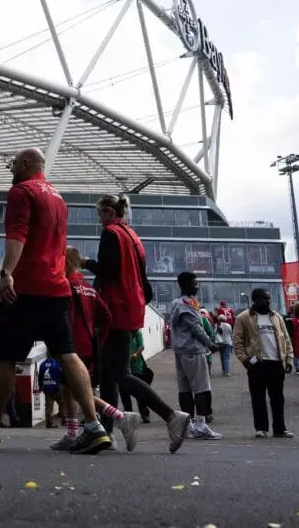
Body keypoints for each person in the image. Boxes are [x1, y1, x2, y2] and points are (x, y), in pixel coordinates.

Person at [0, 149, 115, 455]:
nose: (11, 170)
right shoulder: (58, 198)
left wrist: (7, 273)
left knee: (4, 358)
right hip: (57, 289)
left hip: (26, 290)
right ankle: (94, 427)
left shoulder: (22, 191)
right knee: (68, 355)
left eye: (14, 164)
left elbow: (17, 237)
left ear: (26, 164)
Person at [84, 191, 190, 452]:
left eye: (100, 213)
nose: (99, 219)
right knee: (108, 373)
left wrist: (85, 262)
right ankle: (107, 431)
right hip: (129, 307)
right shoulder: (133, 236)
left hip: (114, 309)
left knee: (120, 373)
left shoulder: (111, 233)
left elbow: (107, 271)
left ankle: (170, 416)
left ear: (110, 212)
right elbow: (142, 279)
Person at [53, 247, 141, 452]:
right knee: (70, 388)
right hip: (88, 345)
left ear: (66, 263)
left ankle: (120, 417)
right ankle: (73, 432)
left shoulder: (67, 286)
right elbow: (107, 316)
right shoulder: (88, 287)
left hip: (71, 346)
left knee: (77, 389)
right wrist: (99, 338)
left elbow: (67, 317)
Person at [233, 287, 294, 438]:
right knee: (258, 398)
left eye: (268, 298)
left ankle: (279, 429)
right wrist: (245, 360)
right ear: (255, 300)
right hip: (258, 364)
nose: (267, 301)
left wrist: (289, 358)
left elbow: (286, 338)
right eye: (264, 299)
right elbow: (237, 340)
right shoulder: (243, 317)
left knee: (278, 398)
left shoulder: (277, 317)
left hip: (276, 362)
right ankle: (261, 428)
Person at [169, 272, 222, 440]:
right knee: (201, 388)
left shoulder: (175, 303)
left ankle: (187, 426)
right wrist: (209, 344)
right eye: (194, 283)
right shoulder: (188, 304)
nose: (197, 286)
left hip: (180, 351)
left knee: (184, 389)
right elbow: (195, 327)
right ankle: (201, 425)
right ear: (185, 285)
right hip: (193, 350)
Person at [120, 330, 152, 423]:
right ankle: (129, 415)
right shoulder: (120, 332)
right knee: (124, 392)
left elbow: (141, 346)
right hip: (123, 366)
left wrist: (134, 355)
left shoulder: (137, 332)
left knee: (139, 391)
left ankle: (144, 414)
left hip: (137, 367)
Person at [215, 312, 233, 377]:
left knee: (222, 357)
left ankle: (223, 370)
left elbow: (214, 333)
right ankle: (227, 372)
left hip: (220, 343)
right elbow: (231, 334)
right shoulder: (228, 325)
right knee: (226, 357)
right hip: (228, 342)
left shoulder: (217, 325)